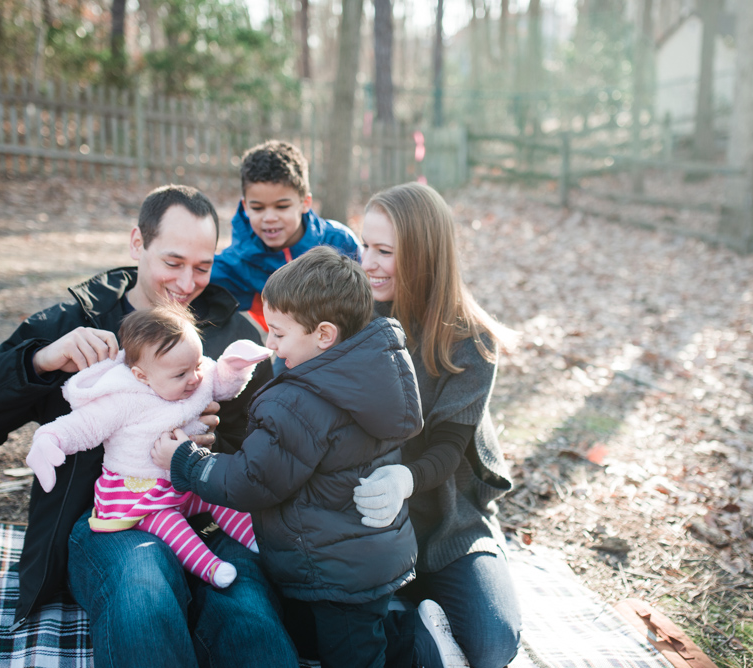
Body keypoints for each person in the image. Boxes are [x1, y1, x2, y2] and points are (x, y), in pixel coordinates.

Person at [0, 185, 297, 668]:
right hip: (110, 521)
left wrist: (211, 447)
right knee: (141, 590)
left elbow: (269, 445)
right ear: (137, 244)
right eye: (173, 261)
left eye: (202, 266)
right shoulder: (78, 324)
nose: (187, 283)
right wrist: (39, 362)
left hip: (207, 516)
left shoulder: (234, 336)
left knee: (252, 618)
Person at [152, 247, 459, 668]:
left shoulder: (298, 402)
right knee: (339, 638)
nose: (271, 345)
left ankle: (419, 650)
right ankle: (416, 642)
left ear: (324, 335)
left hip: (337, 568)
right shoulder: (370, 373)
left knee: (350, 656)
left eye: (279, 333)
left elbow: (252, 480)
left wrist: (186, 461)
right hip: (362, 552)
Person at [353, 182, 523, 668]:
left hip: (447, 519)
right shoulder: (353, 317)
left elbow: (449, 448)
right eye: (365, 246)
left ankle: (456, 583)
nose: (368, 262)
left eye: (384, 251)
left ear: (424, 255)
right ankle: (416, 625)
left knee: (493, 645)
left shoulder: (469, 339)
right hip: (370, 522)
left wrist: (405, 477)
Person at [26, 302, 272, 588]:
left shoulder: (194, 373)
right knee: (170, 526)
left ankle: (258, 541)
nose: (194, 378)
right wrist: (49, 440)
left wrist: (234, 367)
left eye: (196, 365)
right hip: (140, 494)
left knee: (221, 498)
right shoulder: (123, 397)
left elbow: (221, 383)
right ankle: (210, 568)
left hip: (186, 482)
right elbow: (84, 425)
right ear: (142, 376)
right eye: (180, 375)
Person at [210, 139, 361, 332]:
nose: (270, 217)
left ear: (305, 202)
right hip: (286, 351)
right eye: (257, 208)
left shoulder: (339, 242)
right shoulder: (237, 263)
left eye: (282, 206)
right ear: (245, 206)